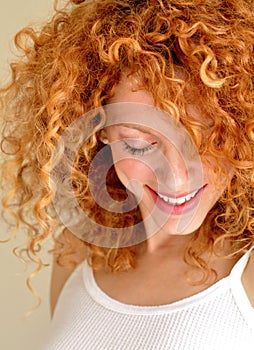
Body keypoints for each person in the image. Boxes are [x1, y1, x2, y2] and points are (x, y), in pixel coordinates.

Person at [1, 0, 254, 349]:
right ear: (100, 128)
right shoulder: (76, 252)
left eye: (210, 140)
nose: (177, 178)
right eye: (139, 144)